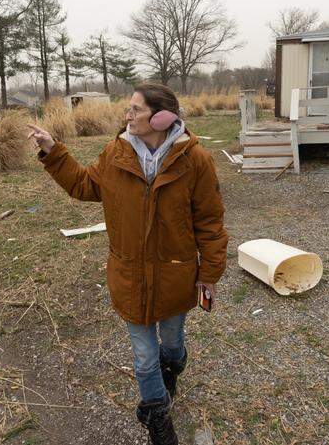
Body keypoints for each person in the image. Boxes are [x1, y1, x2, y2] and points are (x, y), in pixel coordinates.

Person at [27, 83, 228, 445]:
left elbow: (210, 223)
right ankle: (157, 416)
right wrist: (53, 152)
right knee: (144, 356)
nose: (128, 115)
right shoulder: (116, 153)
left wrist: (209, 275)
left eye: (135, 109)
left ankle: (174, 369)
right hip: (129, 276)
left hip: (175, 274)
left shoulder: (195, 160)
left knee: (172, 344)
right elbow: (85, 185)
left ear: (162, 116)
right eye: (128, 108)